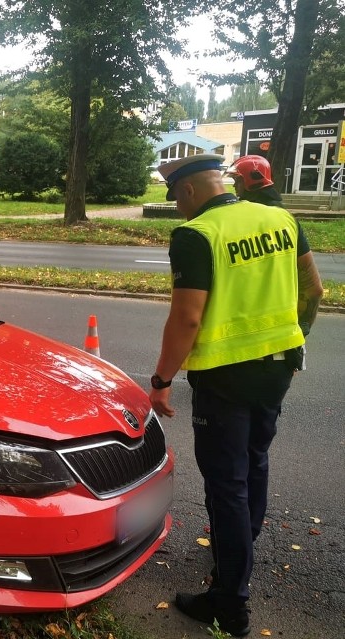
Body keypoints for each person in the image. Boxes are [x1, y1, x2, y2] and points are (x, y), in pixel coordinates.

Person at [149, 154, 324, 637]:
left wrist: (162, 381)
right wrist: (294, 338)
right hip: (279, 367)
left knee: (226, 486)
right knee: (255, 462)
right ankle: (238, 555)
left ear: (186, 192)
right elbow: (314, 289)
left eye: (177, 200)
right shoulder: (280, 219)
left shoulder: (197, 234)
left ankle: (230, 602)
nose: (180, 210)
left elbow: (187, 318)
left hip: (225, 378)